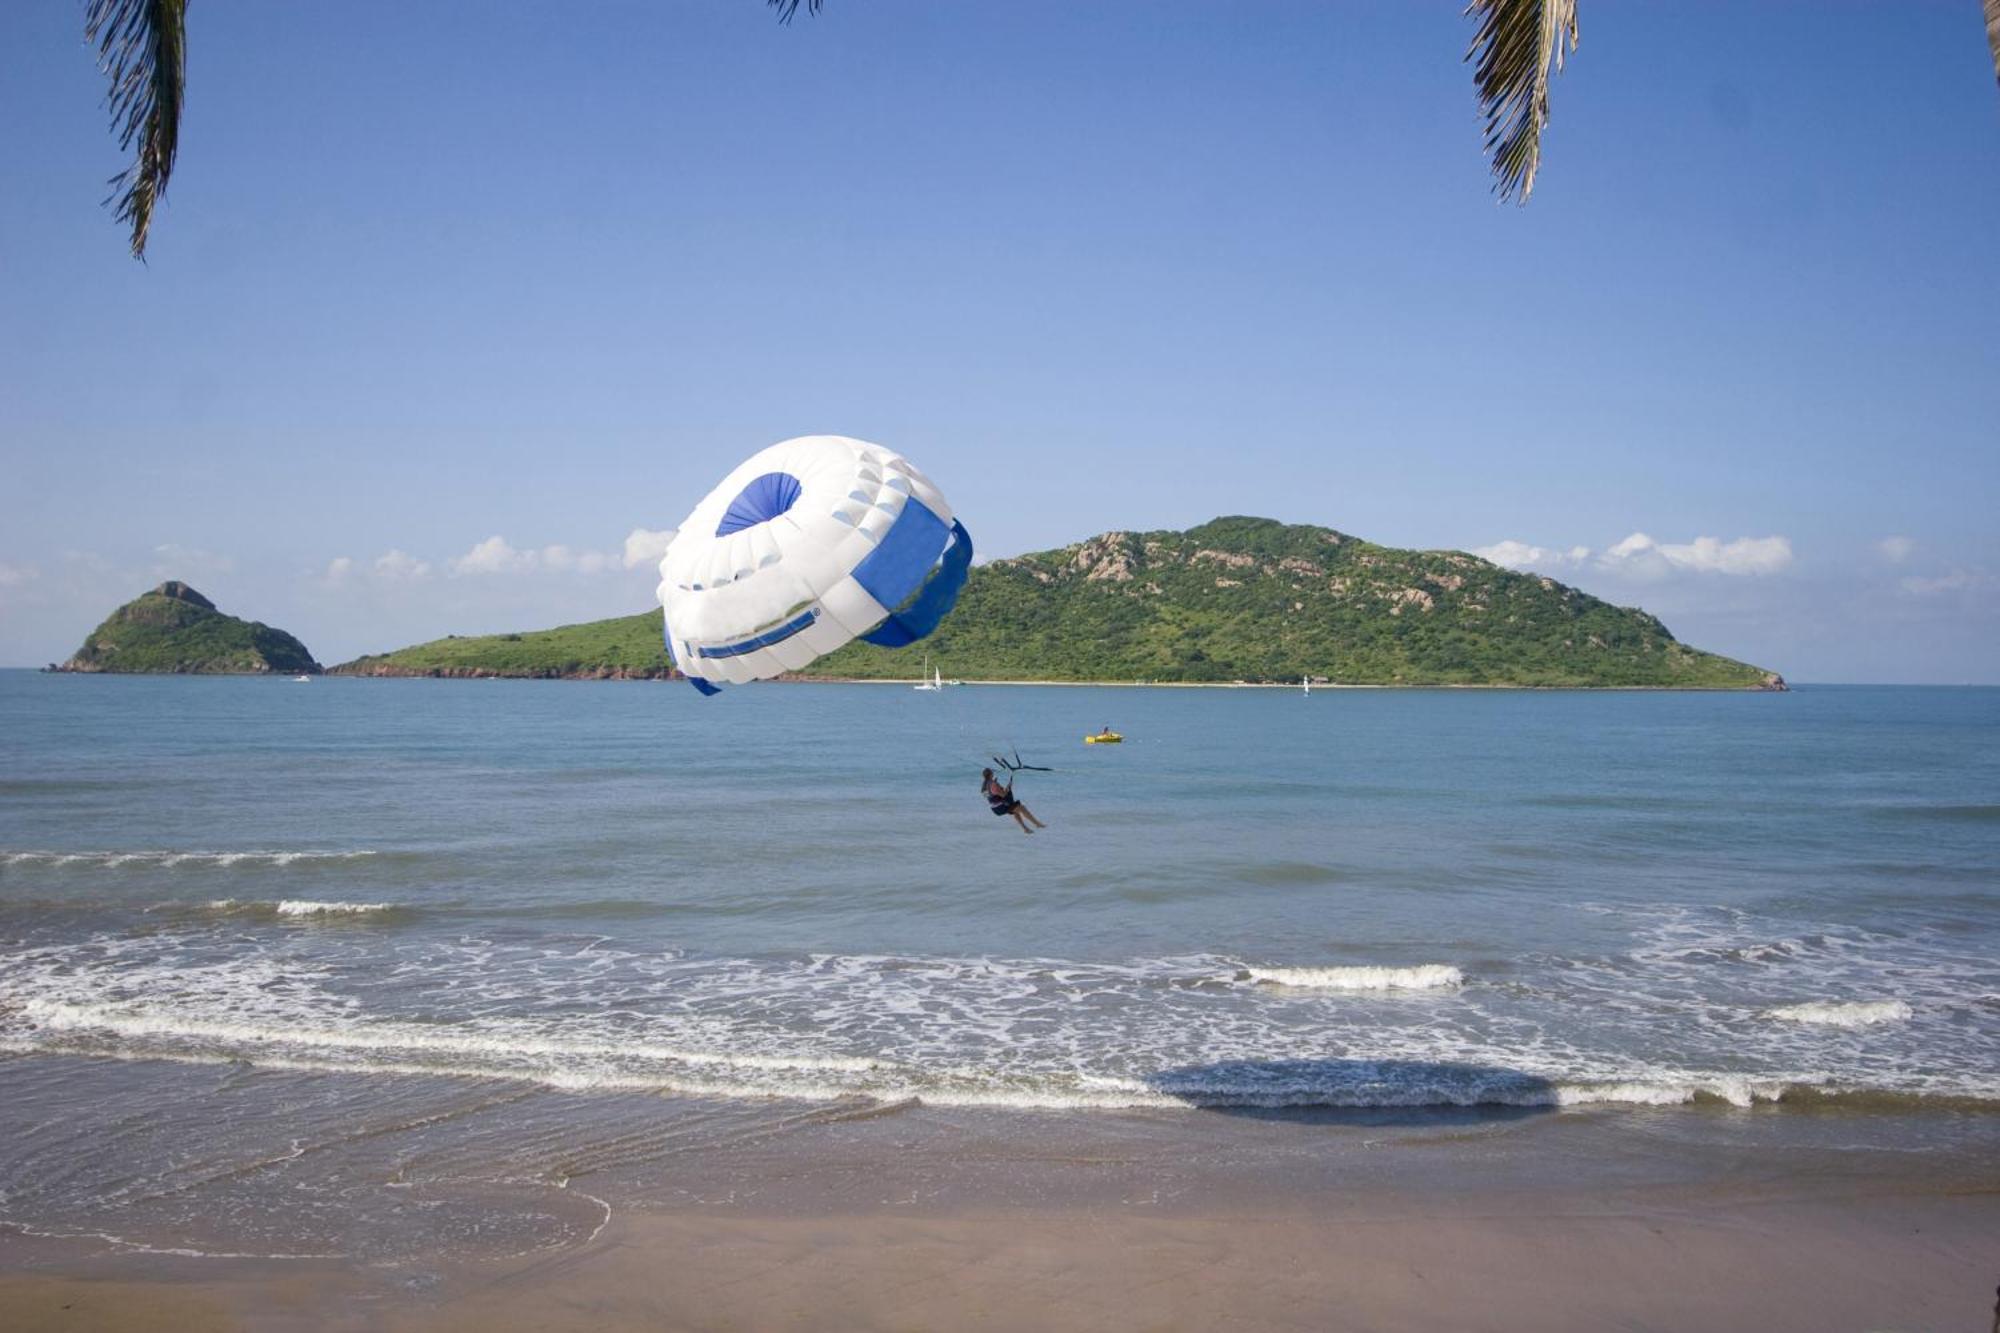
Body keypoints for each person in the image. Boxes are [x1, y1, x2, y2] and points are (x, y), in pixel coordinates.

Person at [981, 767, 1046, 835]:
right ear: (991, 774)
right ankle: (1037, 824)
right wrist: (1008, 787)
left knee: (1015, 811)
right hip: (1000, 807)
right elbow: (1003, 795)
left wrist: (1002, 787)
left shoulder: (984, 786)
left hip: (995, 808)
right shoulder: (993, 784)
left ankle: (1026, 829)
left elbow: (993, 795)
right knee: (1022, 808)